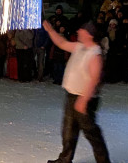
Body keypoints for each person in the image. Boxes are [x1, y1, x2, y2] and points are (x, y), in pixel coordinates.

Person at [44, 20, 111, 163]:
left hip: (84, 99)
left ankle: (103, 161)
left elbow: (94, 79)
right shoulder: (80, 47)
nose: (78, 32)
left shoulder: (95, 54)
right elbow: (62, 43)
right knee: (68, 131)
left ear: (89, 35)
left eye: (81, 31)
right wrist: (51, 31)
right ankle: (65, 159)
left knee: (92, 133)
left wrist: (83, 100)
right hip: (72, 95)